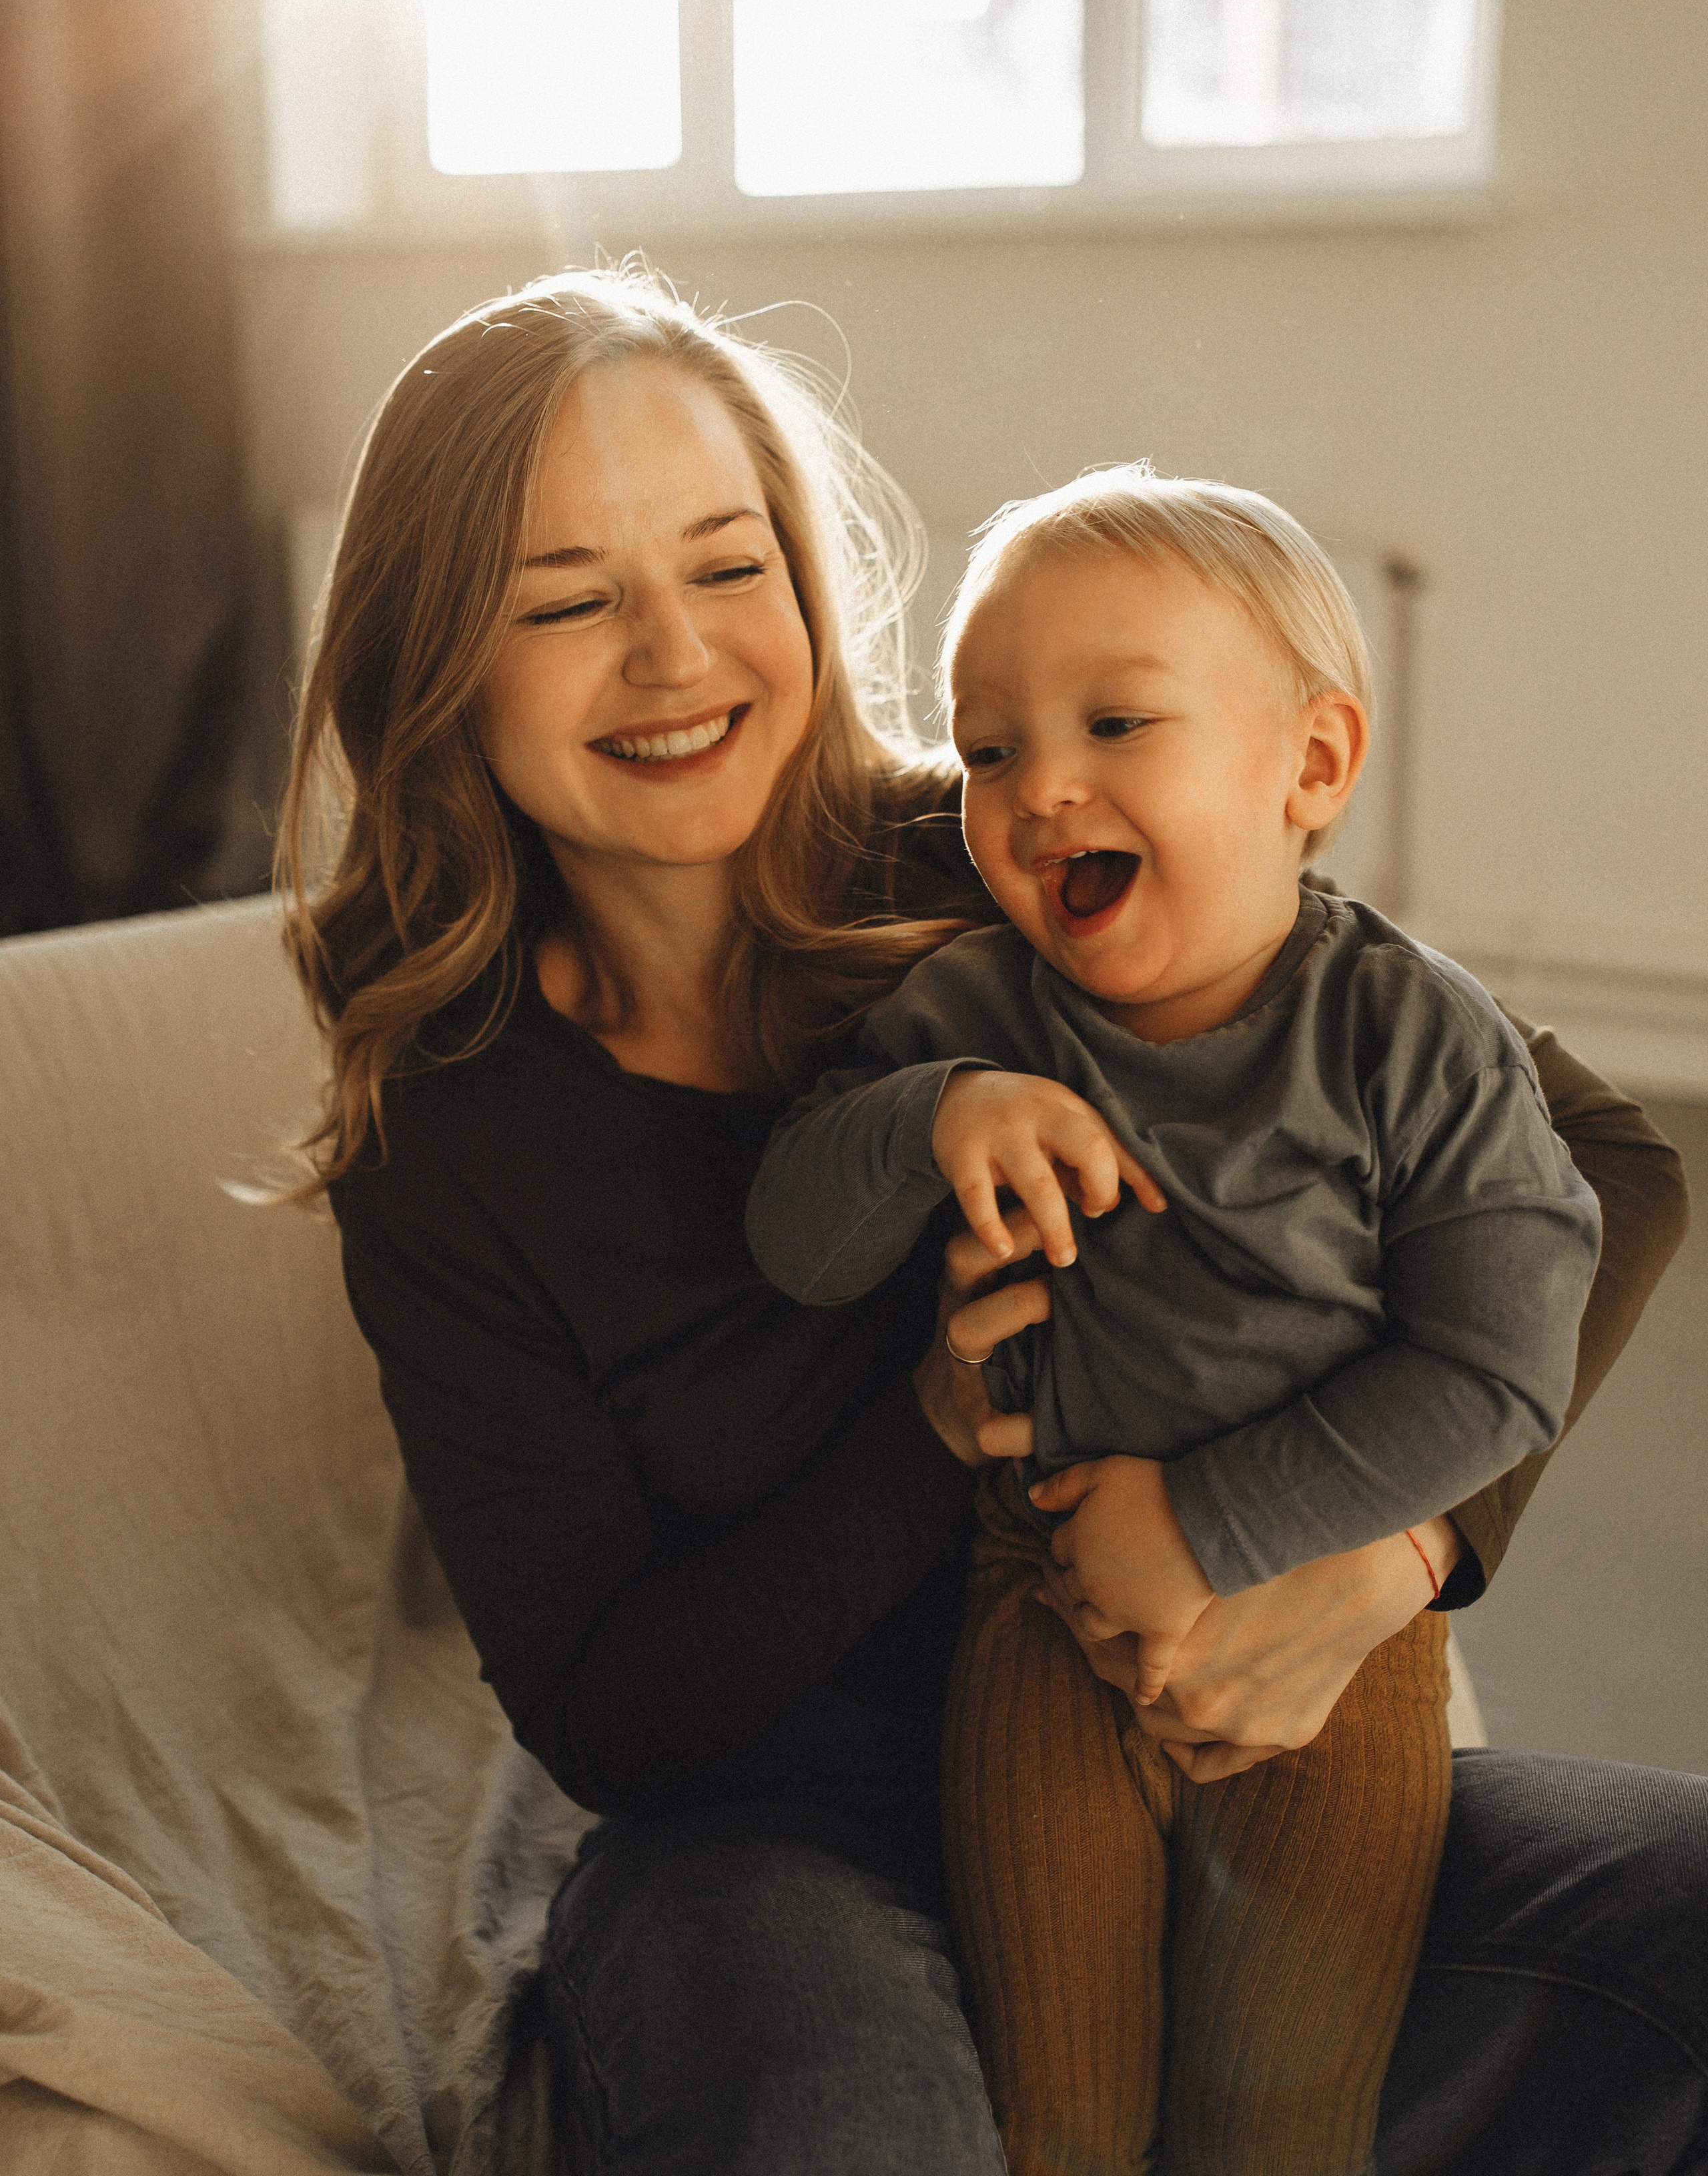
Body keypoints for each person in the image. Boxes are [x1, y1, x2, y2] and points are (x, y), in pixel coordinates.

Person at [278, 264, 1702, 2176]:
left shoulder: (1016, 848)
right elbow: (614, 1716)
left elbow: (1606, 1159)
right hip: (775, 1840)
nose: (675, 655)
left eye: (727, 567)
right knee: (847, 2129)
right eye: (565, 602)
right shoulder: (450, 1132)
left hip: (1222, 1727)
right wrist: (935, 1432)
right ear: (437, 662)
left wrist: (1389, 1553)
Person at [745, 468, 1604, 2176]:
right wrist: (926, 1121)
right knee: (1054, 2112)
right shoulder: (972, 1010)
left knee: (1276, 2124)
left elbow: (1498, 1361)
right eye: (986, 750)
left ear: (1309, 766)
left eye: (1114, 722)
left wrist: (1206, 1528)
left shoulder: (1407, 1037)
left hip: (1334, 1664)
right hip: (1038, 1619)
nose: (1037, 787)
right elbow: (794, 1247)